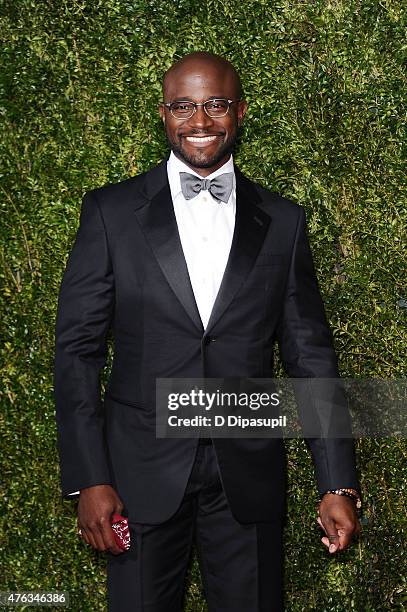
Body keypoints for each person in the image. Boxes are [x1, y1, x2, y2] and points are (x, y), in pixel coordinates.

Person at [54, 51, 361, 611]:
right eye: (183, 107)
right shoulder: (110, 213)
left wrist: (336, 483)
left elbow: (310, 358)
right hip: (135, 478)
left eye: (215, 105)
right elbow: (77, 352)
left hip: (246, 476)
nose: (199, 122)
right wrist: (88, 477)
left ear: (239, 111)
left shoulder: (283, 221)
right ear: (164, 114)